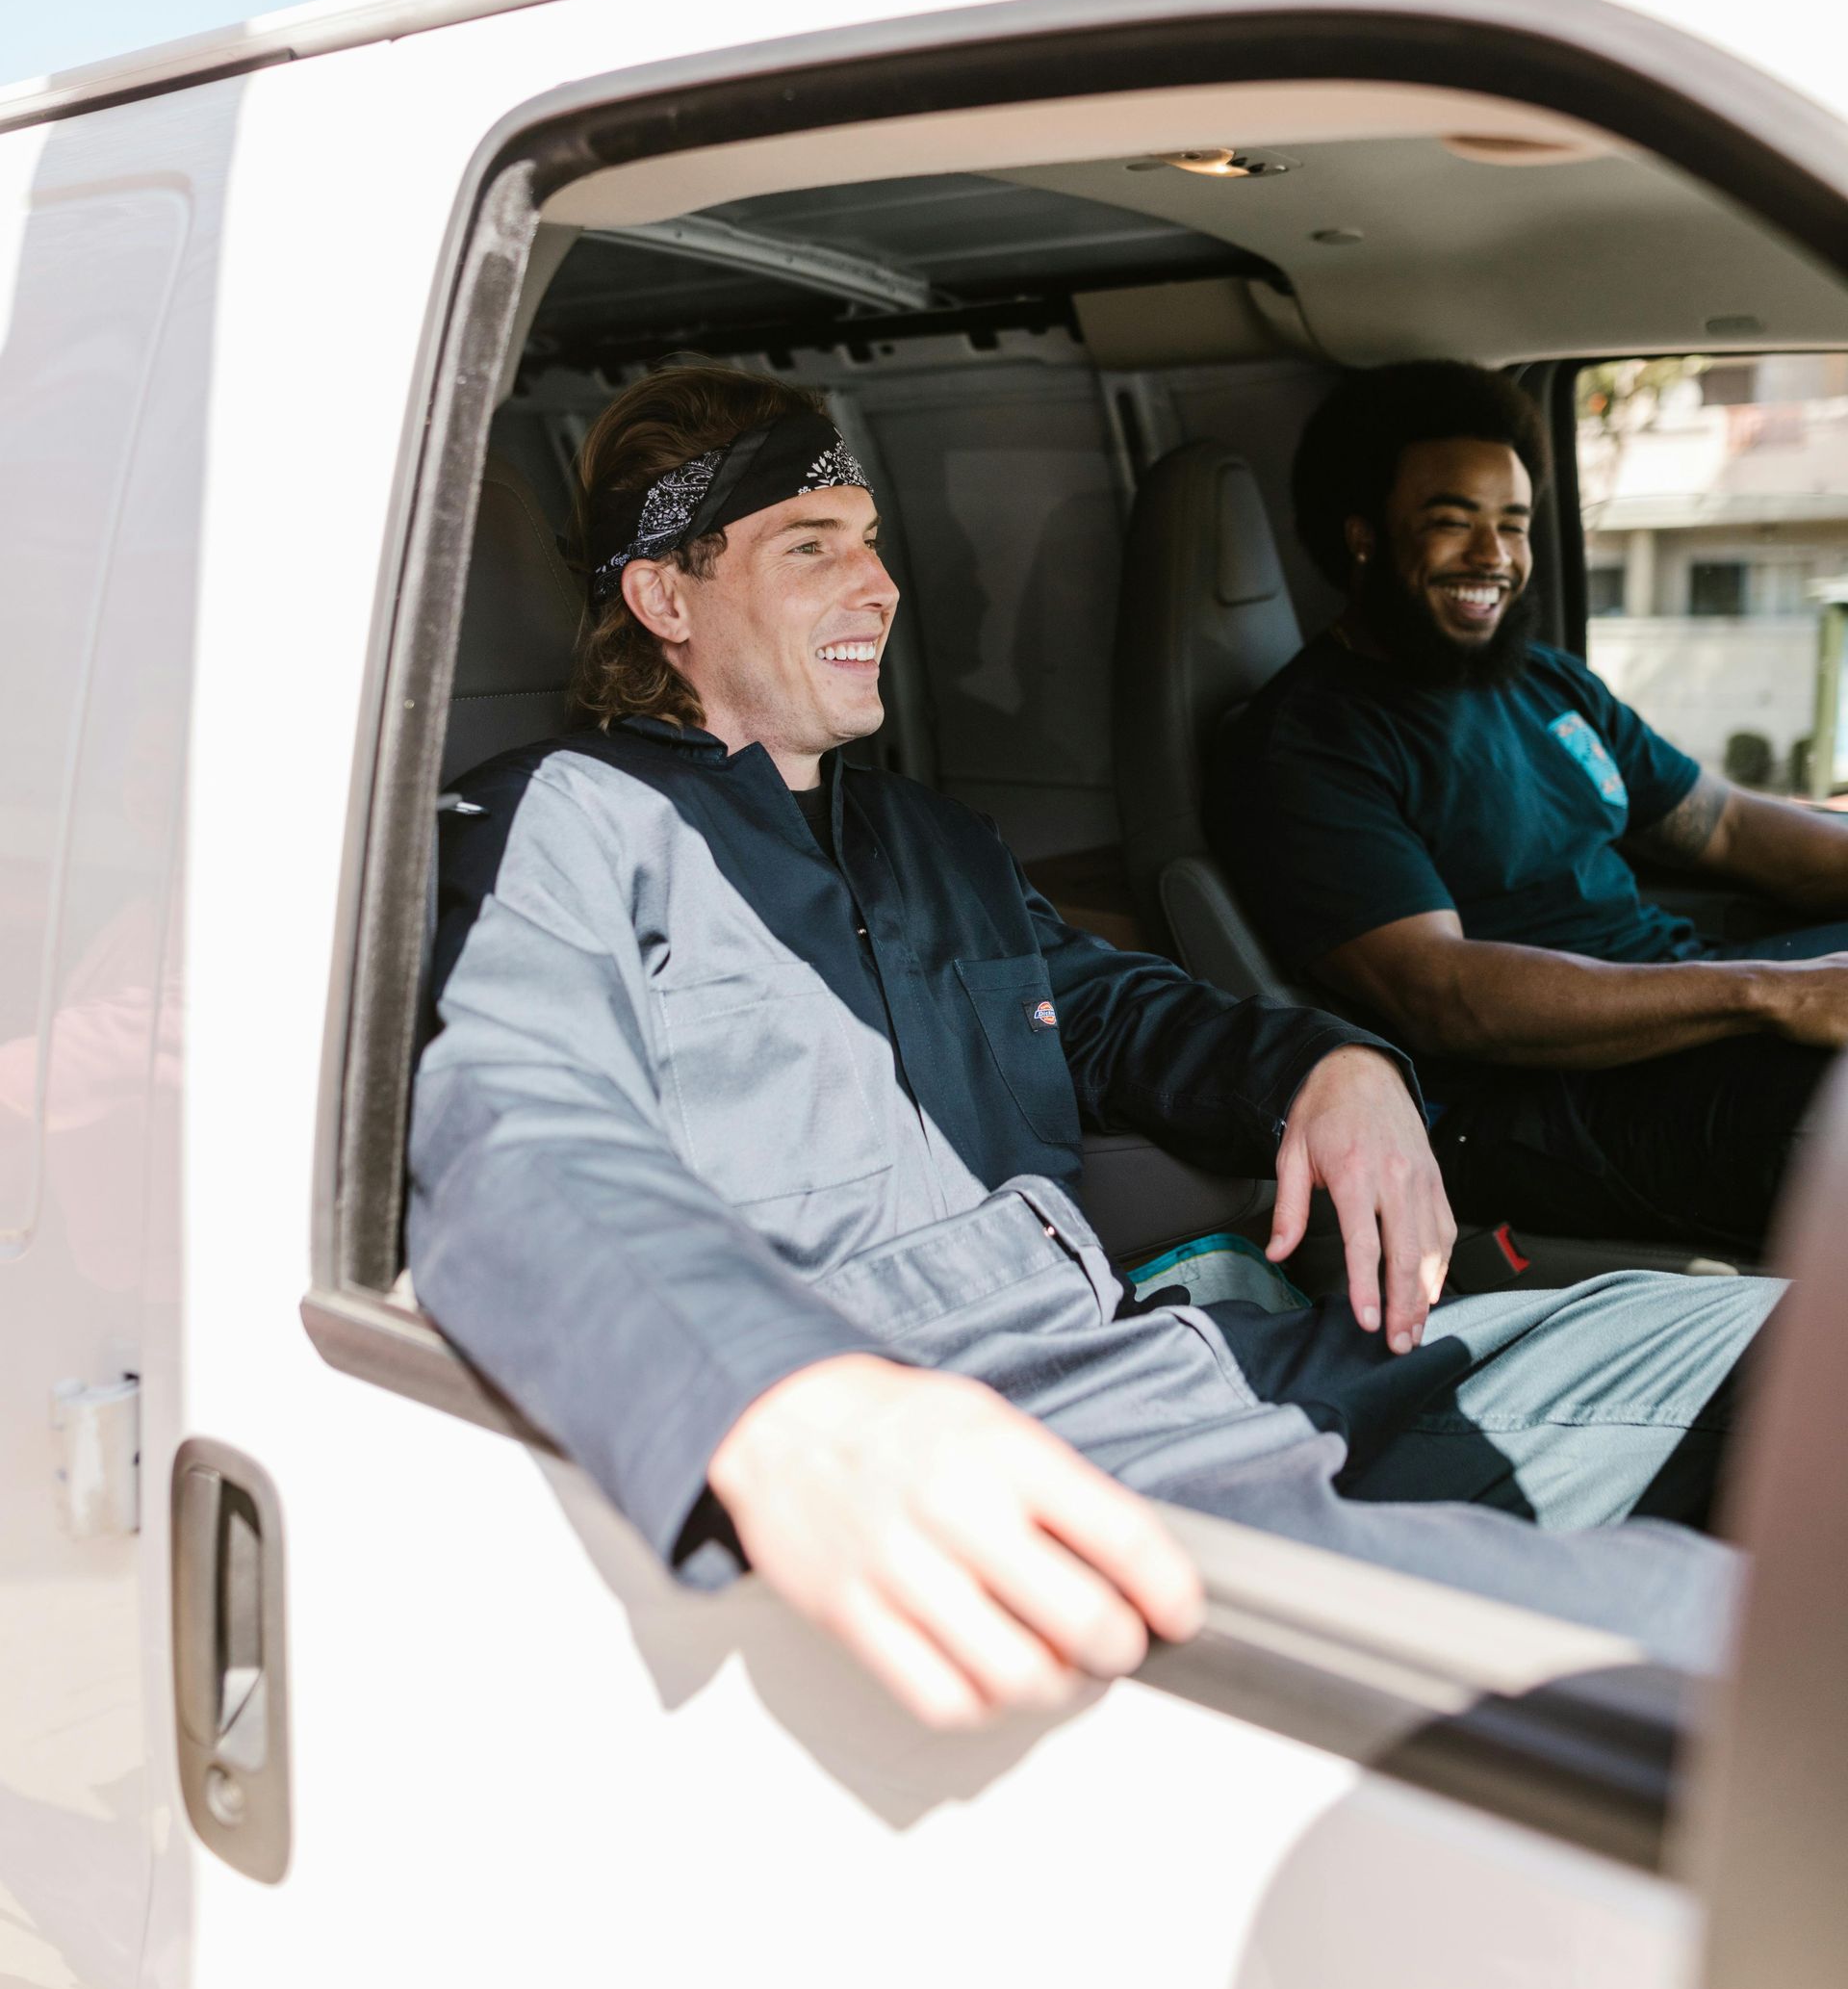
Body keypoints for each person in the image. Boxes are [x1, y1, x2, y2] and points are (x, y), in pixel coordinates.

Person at [409, 359, 1778, 1730]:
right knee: (1729, 1646)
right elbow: (514, 1128)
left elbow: (1126, 1013)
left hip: (1200, 1366)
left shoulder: (929, 840)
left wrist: (1330, 1067)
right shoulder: (566, 821)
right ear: (663, 596)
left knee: (1797, 1337)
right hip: (1006, 1461)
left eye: (873, 542)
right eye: (812, 547)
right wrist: (776, 1402)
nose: (881, 587)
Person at [1210, 359, 1848, 1258]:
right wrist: (1767, 994)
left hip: (1682, 1014)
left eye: (1512, 525)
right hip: (1538, 1105)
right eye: (1450, 523)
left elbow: (1728, 825)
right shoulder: (1310, 742)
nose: (1494, 558)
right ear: (1361, 537)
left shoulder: (1546, 683)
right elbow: (1444, 995)